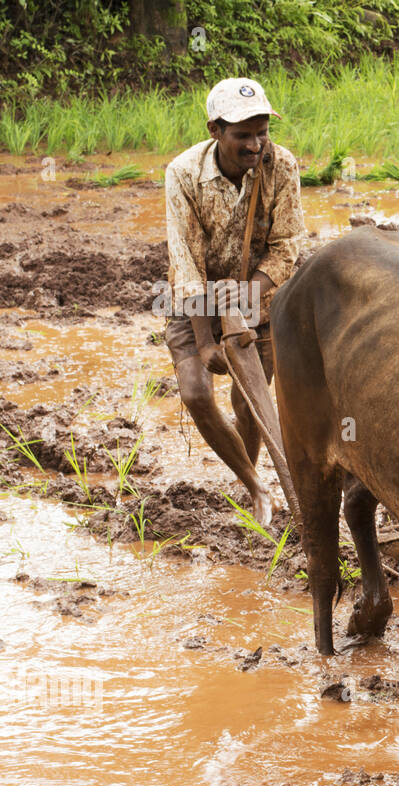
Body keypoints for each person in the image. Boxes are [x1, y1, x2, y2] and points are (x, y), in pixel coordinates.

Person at [163, 77, 307, 525]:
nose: (255, 144)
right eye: (242, 135)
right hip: (197, 300)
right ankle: (256, 485)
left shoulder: (281, 166)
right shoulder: (184, 174)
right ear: (215, 131)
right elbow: (185, 261)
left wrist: (248, 294)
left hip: (258, 298)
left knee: (251, 403)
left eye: (261, 132)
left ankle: (252, 482)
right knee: (195, 392)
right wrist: (206, 341)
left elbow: (287, 245)